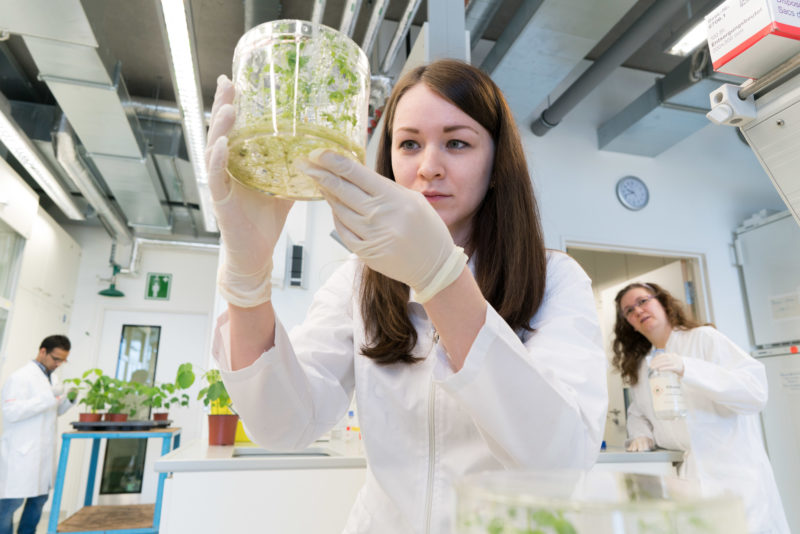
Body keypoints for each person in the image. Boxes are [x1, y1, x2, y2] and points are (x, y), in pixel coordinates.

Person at [207, 59, 607, 533]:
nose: (429, 167)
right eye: (409, 144)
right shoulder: (358, 283)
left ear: (497, 163)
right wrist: (248, 280)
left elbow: (559, 464)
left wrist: (441, 278)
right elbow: (283, 425)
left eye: (457, 143)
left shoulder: (555, 280)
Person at [613, 282, 789, 534]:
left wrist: (688, 368)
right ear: (629, 323)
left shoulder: (704, 339)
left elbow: (755, 391)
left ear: (662, 302)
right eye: (629, 310)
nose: (637, 311)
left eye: (643, 301)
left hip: (734, 471)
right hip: (691, 475)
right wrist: (642, 434)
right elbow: (639, 413)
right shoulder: (643, 365)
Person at [0, 335, 75, 534]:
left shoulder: (53, 377)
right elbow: (11, 412)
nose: (58, 364)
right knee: (10, 504)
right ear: (43, 351)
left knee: (38, 501)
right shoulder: (20, 377)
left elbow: (53, 411)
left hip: (42, 454)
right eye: (56, 359)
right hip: (21, 452)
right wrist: (48, 398)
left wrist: (68, 401)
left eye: (63, 360)